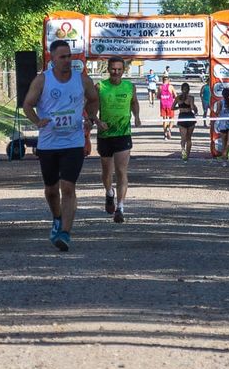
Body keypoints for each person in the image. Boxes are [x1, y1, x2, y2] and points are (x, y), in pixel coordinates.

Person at [22, 39, 100, 251]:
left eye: (69, 56)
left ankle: (65, 232)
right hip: (48, 143)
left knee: (68, 186)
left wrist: (90, 118)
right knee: (50, 190)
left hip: (73, 141)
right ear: (52, 59)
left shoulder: (82, 80)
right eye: (62, 57)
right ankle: (57, 218)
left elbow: (93, 99)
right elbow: (27, 105)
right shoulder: (42, 80)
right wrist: (38, 121)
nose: (67, 60)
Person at [97, 56, 141, 223]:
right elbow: (90, 107)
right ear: (108, 69)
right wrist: (96, 121)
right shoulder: (100, 86)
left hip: (123, 134)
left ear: (124, 70)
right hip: (105, 135)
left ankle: (120, 207)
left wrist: (137, 116)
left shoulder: (130, 86)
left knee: (122, 171)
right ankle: (109, 193)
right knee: (107, 172)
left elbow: (134, 102)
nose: (116, 72)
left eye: (119, 69)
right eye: (113, 69)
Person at [174, 83, 198, 160]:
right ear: (189, 90)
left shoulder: (178, 98)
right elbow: (192, 107)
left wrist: (179, 107)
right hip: (190, 117)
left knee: (183, 138)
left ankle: (183, 152)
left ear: (181, 89)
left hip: (182, 117)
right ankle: (187, 155)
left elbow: (172, 107)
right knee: (189, 138)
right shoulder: (191, 98)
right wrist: (195, 108)